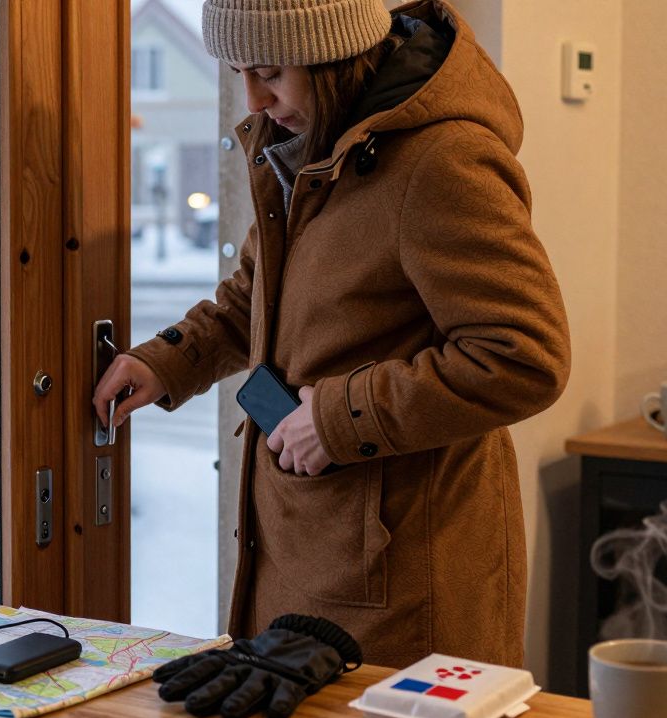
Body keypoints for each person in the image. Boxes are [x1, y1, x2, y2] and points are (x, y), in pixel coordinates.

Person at [93, 0, 570, 669]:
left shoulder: (443, 161)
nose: (254, 100)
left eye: (270, 72)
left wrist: (339, 417)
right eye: (237, 73)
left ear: (334, 51)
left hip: (406, 581)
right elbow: (253, 300)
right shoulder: (304, 147)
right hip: (312, 557)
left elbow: (524, 357)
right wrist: (167, 363)